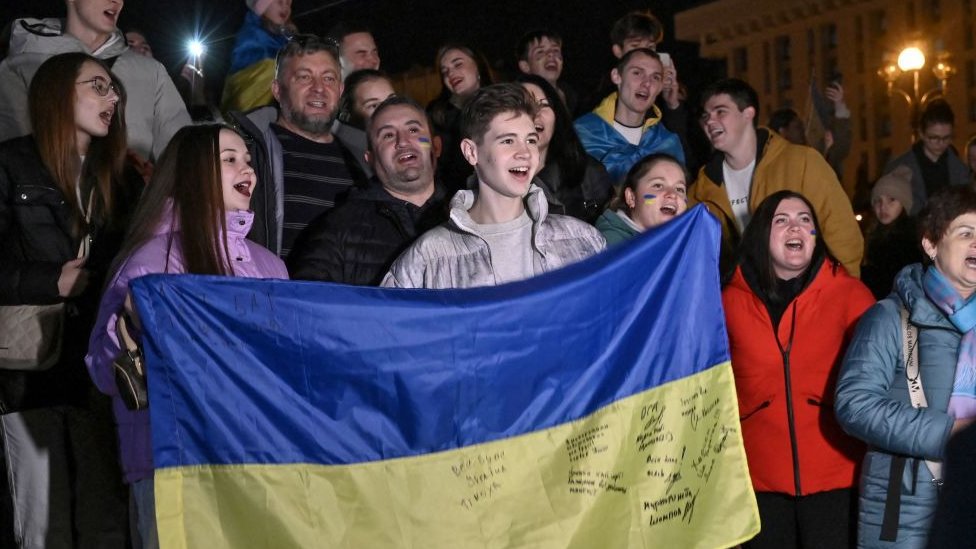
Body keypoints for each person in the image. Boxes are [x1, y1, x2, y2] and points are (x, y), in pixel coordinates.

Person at [86, 124, 288, 548]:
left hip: (260, 460)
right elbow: (107, 374)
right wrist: (132, 329)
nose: (246, 168)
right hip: (177, 464)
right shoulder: (151, 260)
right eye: (229, 159)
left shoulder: (270, 264)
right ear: (192, 174)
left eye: (248, 161)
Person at [0, 52, 142, 549]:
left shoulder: (126, 178)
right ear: (58, 94)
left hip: (99, 366)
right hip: (29, 369)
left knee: (104, 515)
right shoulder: (10, 164)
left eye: (114, 89)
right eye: (98, 86)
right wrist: (49, 281)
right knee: (43, 523)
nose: (114, 97)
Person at [724, 191, 873, 549]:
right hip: (758, 483)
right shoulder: (726, 302)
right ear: (762, 233)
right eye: (782, 219)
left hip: (838, 479)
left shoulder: (851, 295)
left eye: (806, 220)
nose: (797, 226)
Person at [836, 185, 976, 547]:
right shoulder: (891, 318)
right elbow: (855, 403)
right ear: (931, 244)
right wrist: (951, 434)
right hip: (907, 516)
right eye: (966, 233)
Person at [383, 83, 605, 289]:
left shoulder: (581, 240)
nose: (525, 153)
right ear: (471, 152)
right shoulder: (428, 259)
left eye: (530, 140)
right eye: (508, 141)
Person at [689, 78, 863, 278]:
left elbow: (842, 233)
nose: (710, 121)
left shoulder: (802, 162)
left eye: (720, 112)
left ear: (748, 114)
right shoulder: (701, 190)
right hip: (747, 303)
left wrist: (845, 291)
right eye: (706, 115)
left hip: (811, 296)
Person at [229, 34, 367, 259]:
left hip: (352, 293)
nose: (319, 88)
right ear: (277, 89)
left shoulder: (364, 157)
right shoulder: (248, 154)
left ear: (341, 90)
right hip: (275, 291)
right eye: (304, 77)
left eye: (329, 78)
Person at [0, 0, 190, 163]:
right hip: (42, 202)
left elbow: (184, 158)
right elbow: (10, 156)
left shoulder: (151, 72)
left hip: (130, 203)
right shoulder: (22, 66)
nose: (117, 1)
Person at [289, 96, 447, 285]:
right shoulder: (337, 228)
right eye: (388, 135)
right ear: (370, 159)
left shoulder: (469, 214)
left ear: (436, 146)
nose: (403, 142)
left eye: (413, 130)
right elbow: (310, 304)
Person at [575, 47, 685, 185]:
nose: (647, 83)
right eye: (637, 73)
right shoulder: (583, 133)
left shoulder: (667, 142)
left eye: (655, 77)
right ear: (616, 76)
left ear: (660, 87)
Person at [516, 74, 612, 223]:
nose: (536, 113)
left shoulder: (588, 174)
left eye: (543, 105)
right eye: (524, 106)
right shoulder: (489, 180)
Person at [426, 43, 493, 194]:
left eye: (458, 64)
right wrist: (427, 145)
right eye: (445, 71)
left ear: (478, 66)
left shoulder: (502, 103)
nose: (451, 73)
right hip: (454, 196)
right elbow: (423, 142)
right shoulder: (437, 113)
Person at [883, 99, 970, 215]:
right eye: (934, 138)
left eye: (946, 138)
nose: (941, 143)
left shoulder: (960, 171)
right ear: (922, 134)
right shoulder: (898, 167)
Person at [767, 82, 853, 195]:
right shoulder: (772, 163)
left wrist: (840, 107)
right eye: (798, 127)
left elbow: (841, 148)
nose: (803, 131)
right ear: (783, 131)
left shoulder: (811, 152)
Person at [221, 0, 296, 114]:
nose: (285, 6)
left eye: (288, 3)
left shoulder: (285, 37)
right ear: (262, 6)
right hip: (246, 111)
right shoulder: (251, 36)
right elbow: (246, 82)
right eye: (279, 1)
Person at [596, 153, 688, 245]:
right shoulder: (609, 246)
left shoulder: (688, 238)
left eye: (679, 189)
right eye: (658, 185)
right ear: (631, 198)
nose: (672, 194)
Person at [861, 166, 922, 299]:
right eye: (878, 201)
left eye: (892, 200)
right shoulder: (874, 234)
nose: (883, 207)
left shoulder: (908, 241)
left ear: (904, 204)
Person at [333, 69, 396, 177]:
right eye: (374, 106)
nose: (389, 111)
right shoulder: (344, 157)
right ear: (348, 111)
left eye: (392, 101)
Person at [515, 29, 580, 116]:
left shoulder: (571, 94)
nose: (551, 54)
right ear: (525, 66)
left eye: (555, 50)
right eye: (540, 51)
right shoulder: (521, 101)